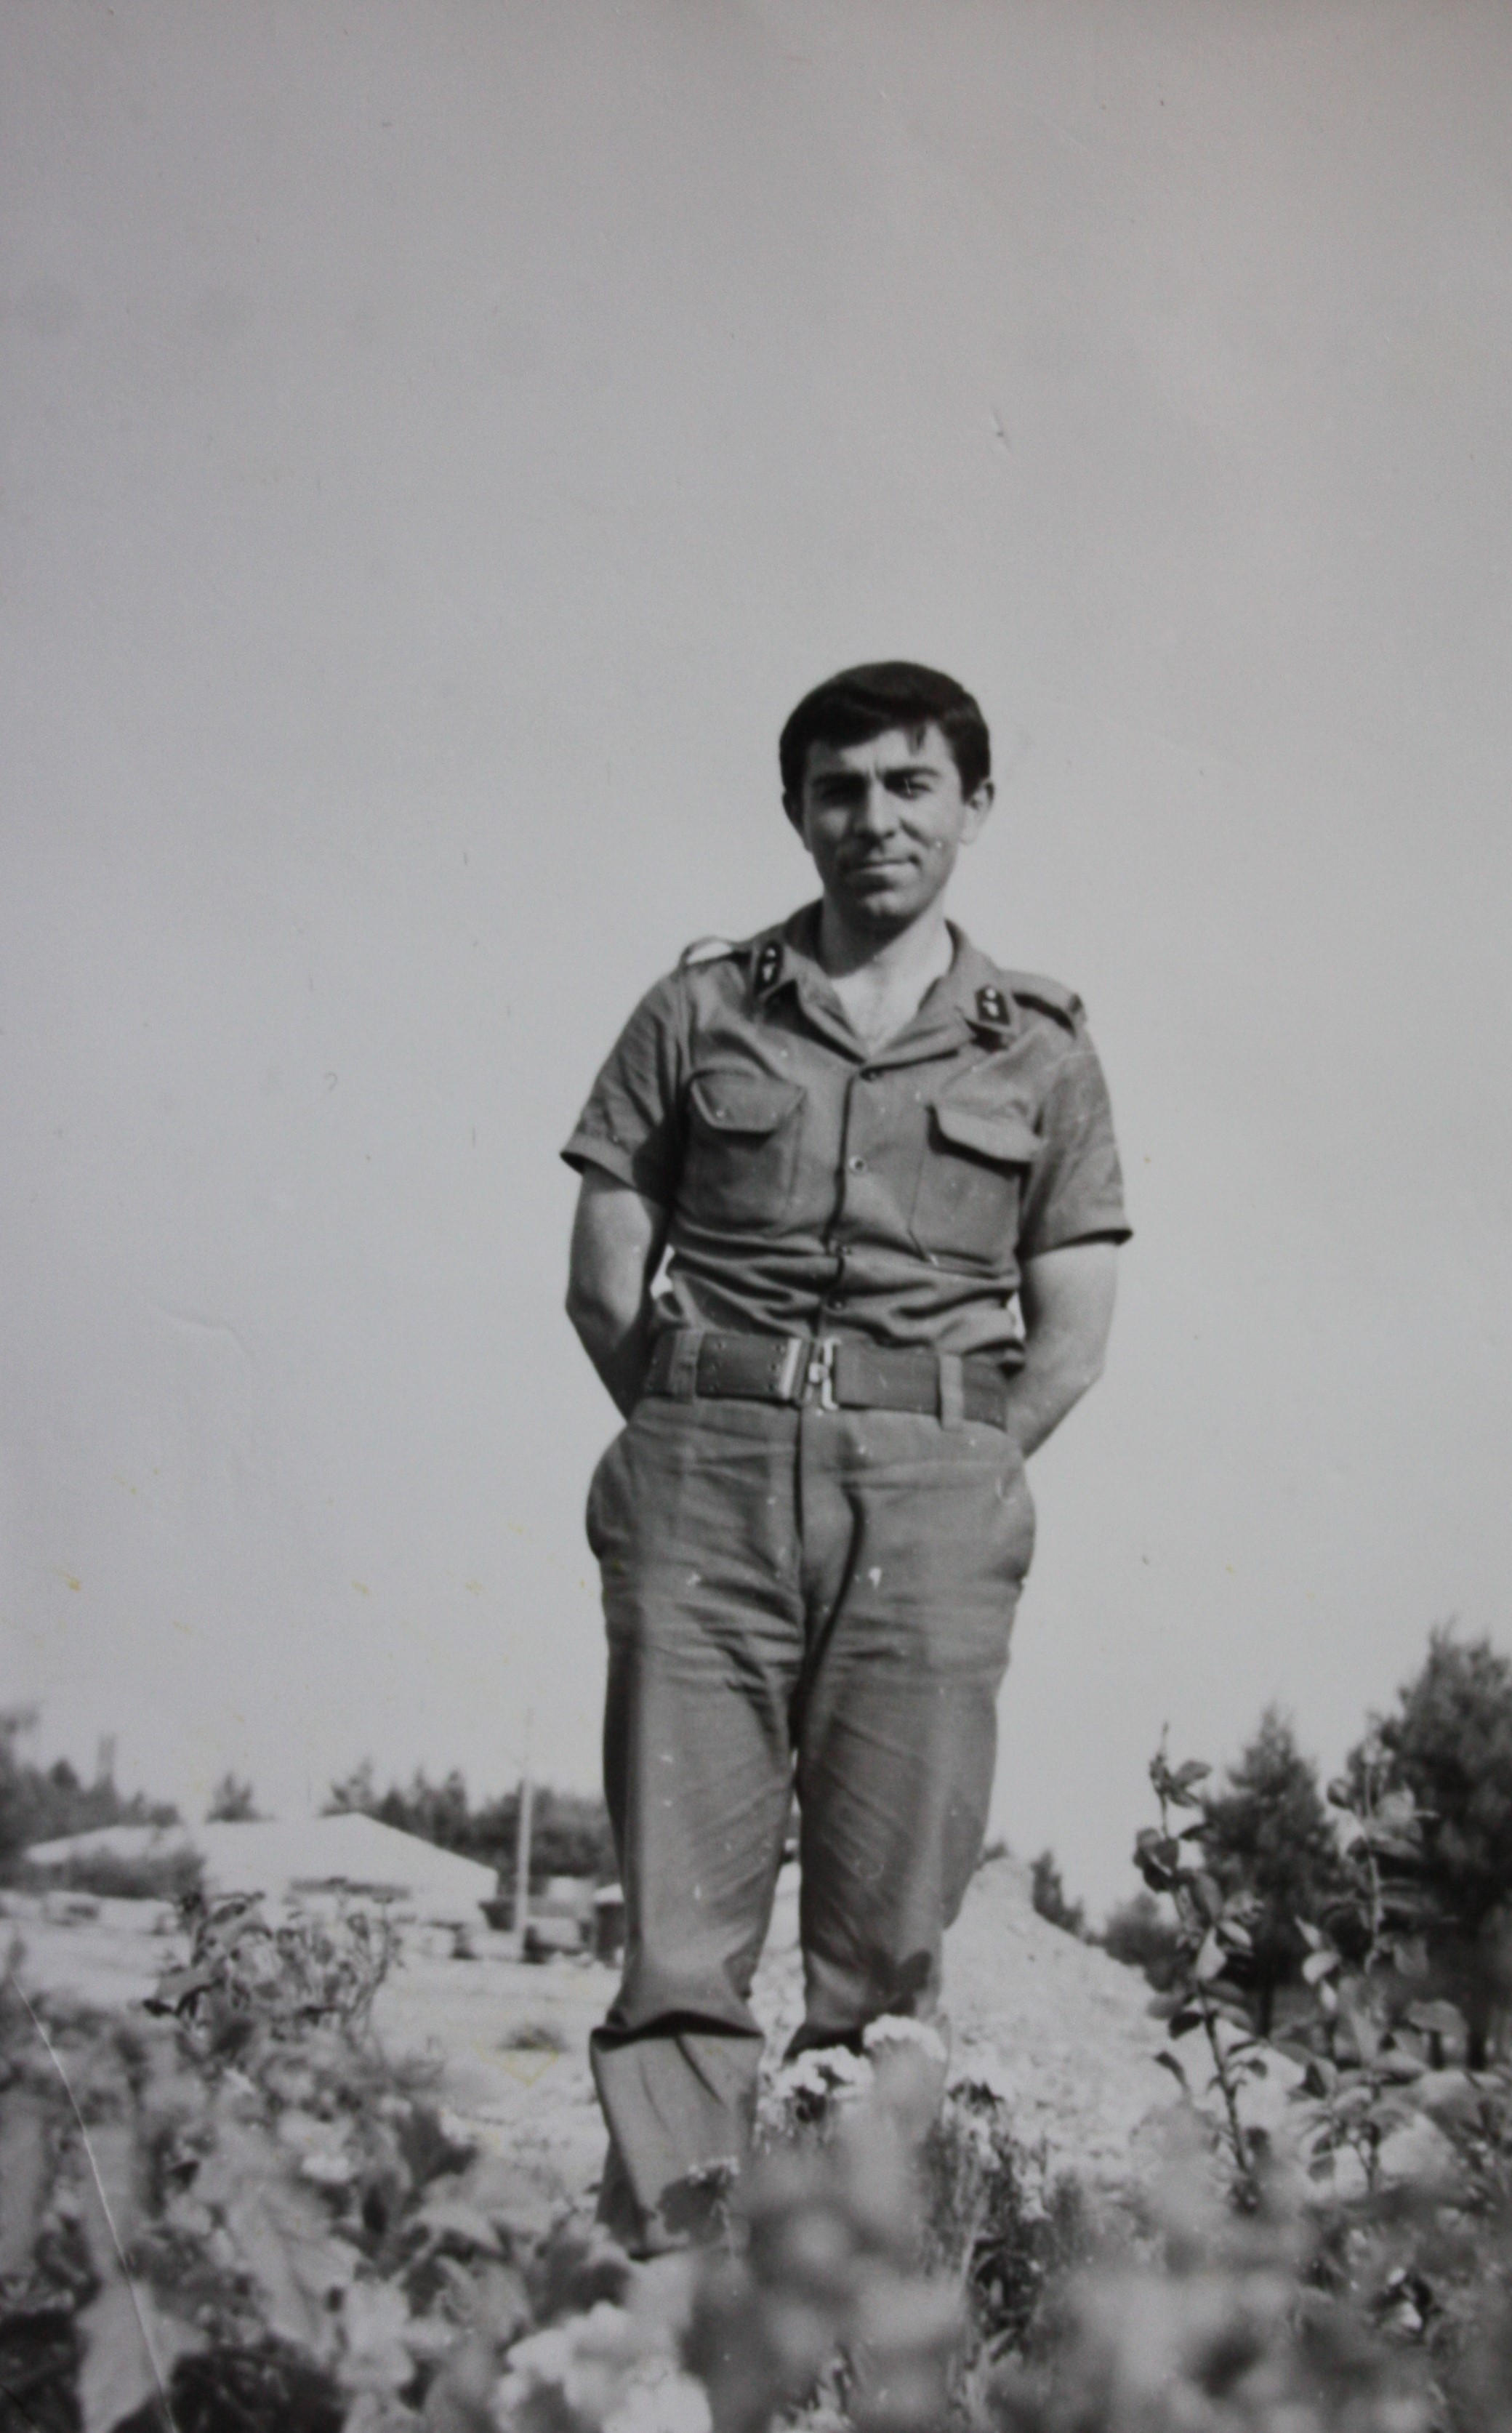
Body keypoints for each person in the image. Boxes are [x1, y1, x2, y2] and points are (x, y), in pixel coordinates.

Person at [563, 661, 1130, 2253]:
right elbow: (603, 1283)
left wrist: (939, 1462)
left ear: (972, 807)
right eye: (838, 789)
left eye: (908, 785)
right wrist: (711, 1422)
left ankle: (848, 2301)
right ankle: (671, 2291)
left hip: (930, 1505)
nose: (872, 819)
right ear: (795, 811)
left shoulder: (1042, 1052)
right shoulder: (695, 1012)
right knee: (680, 1934)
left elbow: (1071, 1337)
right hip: (706, 1485)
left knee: (885, 1949)